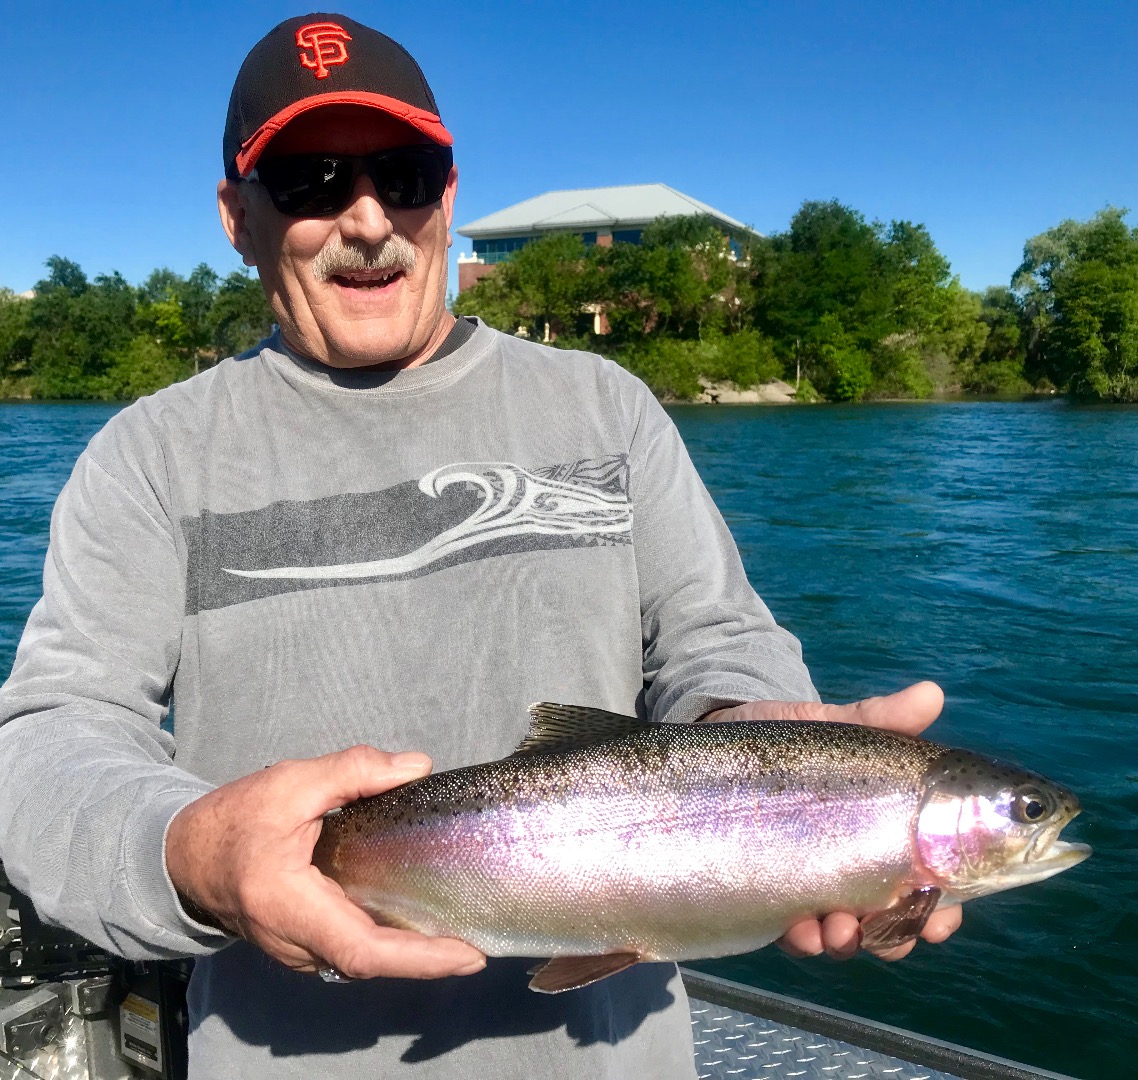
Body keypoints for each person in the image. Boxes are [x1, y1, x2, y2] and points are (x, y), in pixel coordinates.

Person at [0, 13, 960, 1079]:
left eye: (403, 175)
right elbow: (46, 748)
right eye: (311, 181)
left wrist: (758, 753)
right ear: (237, 215)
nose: (367, 218)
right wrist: (193, 852)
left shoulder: (605, 407)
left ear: (448, 198)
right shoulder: (148, 458)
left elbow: (715, 642)